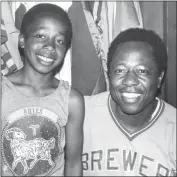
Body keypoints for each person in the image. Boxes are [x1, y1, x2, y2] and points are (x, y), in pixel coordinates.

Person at [1, 3, 84, 176]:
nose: (50, 46)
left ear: (66, 49)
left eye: (59, 41)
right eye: (40, 36)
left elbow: (74, 164)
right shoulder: (3, 90)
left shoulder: (72, 100)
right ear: (22, 40)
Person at [82, 28, 176, 176]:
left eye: (142, 71)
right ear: (109, 73)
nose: (130, 81)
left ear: (159, 78)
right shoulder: (81, 114)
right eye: (120, 70)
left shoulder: (173, 129)